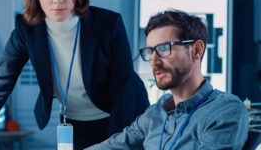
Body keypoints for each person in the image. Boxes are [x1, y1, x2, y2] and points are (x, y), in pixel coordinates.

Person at [0, 0, 150, 149]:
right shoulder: (26, 29)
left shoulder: (108, 24)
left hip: (124, 115)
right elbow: (1, 81)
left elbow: (123, 90)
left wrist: (115, 143)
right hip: (75, 121)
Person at [85, 9, 249, 150]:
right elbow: (114, 145)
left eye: (164, 49)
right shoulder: (156, 112)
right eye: (150, 51)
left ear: (196, 50)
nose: (154, 61)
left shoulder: (225, 110)